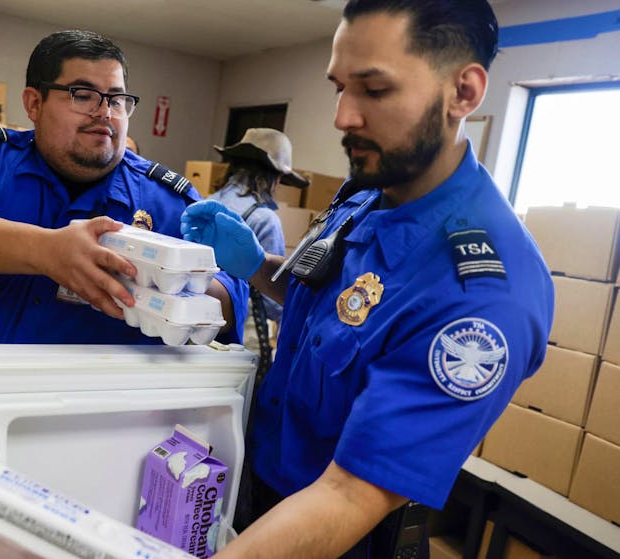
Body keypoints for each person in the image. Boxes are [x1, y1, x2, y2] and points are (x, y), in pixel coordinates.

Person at [182, 1, 554, 557]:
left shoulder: (481, 292)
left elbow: (350, 495)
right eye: (339, 88)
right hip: (257, 483)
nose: (342, 117)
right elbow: (329, 306)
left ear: (465, 93)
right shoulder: (366, 192)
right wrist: (256, 265)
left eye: (374, 91)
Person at [0, 29, 247, 344]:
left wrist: (164, 287)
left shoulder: (165, 199)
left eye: (117, 99)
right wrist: (47, 252)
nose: (105, 112)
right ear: (34, 103)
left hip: (90, 412)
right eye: (83, 95)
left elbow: (229, 298)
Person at [209, 128, 310, 372]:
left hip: (201, 329)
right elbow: (274, 299)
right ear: (273, 177)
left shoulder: (206, 202)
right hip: (240, 339)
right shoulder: (264, 218)